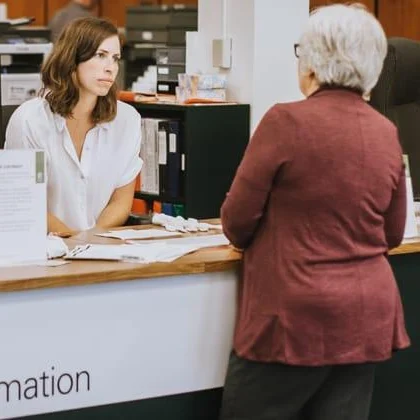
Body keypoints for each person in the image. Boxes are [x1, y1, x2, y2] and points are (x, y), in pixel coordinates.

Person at [219, 4, 410, 420]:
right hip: (364, 316)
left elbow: (236, 221)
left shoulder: (285, 121)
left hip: (293, 315)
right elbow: (394, 232)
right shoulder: (385, 131)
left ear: (312, 63)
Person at [5, 17, 142, 236]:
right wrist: (75, 243)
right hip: (43, 248)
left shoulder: (127, 120)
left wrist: (91, 241)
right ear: (72, 59)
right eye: (100, 55)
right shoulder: (29, 120)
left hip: (100, 248)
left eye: (115, 58)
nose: (111, 68)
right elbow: (27, 202)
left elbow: (121, 201)